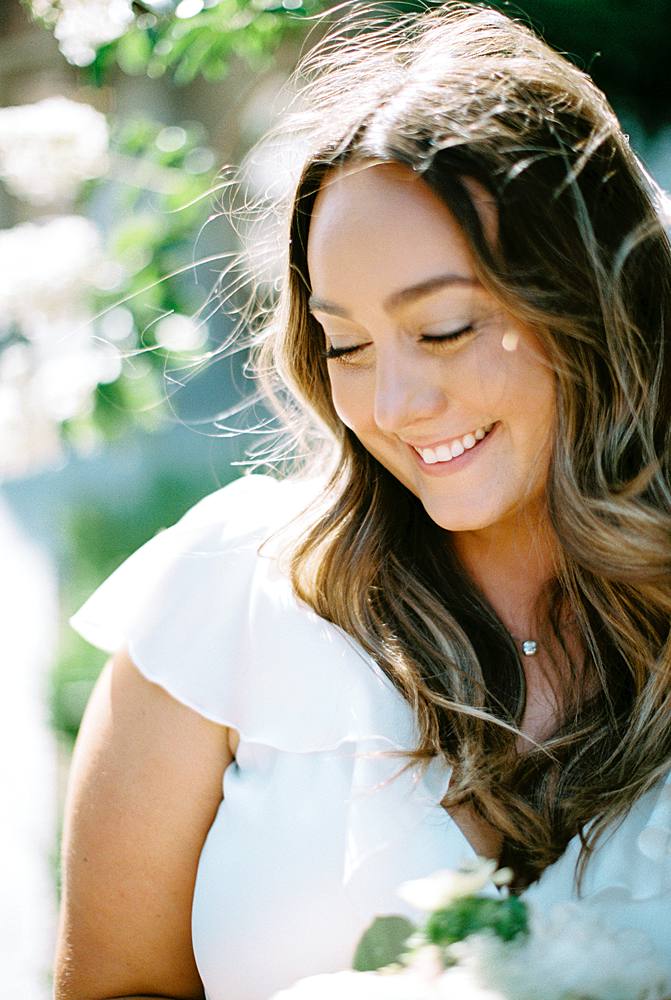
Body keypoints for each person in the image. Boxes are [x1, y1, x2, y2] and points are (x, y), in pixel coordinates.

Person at [53, 3, 671, 999]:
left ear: (590, 301)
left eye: (440, 330)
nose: (392, 406)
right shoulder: (224, 598)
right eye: (344, 344)